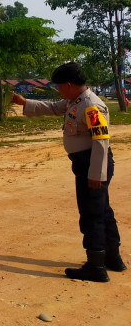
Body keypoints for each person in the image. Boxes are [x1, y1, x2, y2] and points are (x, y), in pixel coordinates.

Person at [11, 62, 126, 282]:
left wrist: (96, 174)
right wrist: (25, 103)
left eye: (60, 86)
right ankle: (112, 258)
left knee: (92, 214)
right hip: (86, 164)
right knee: (102, 211)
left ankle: (96, 267)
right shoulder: (75, 101)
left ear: (70, 84)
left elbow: (101, 140)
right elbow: (55, 107)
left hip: (91, 165)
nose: (59, 90)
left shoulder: (92, 106)